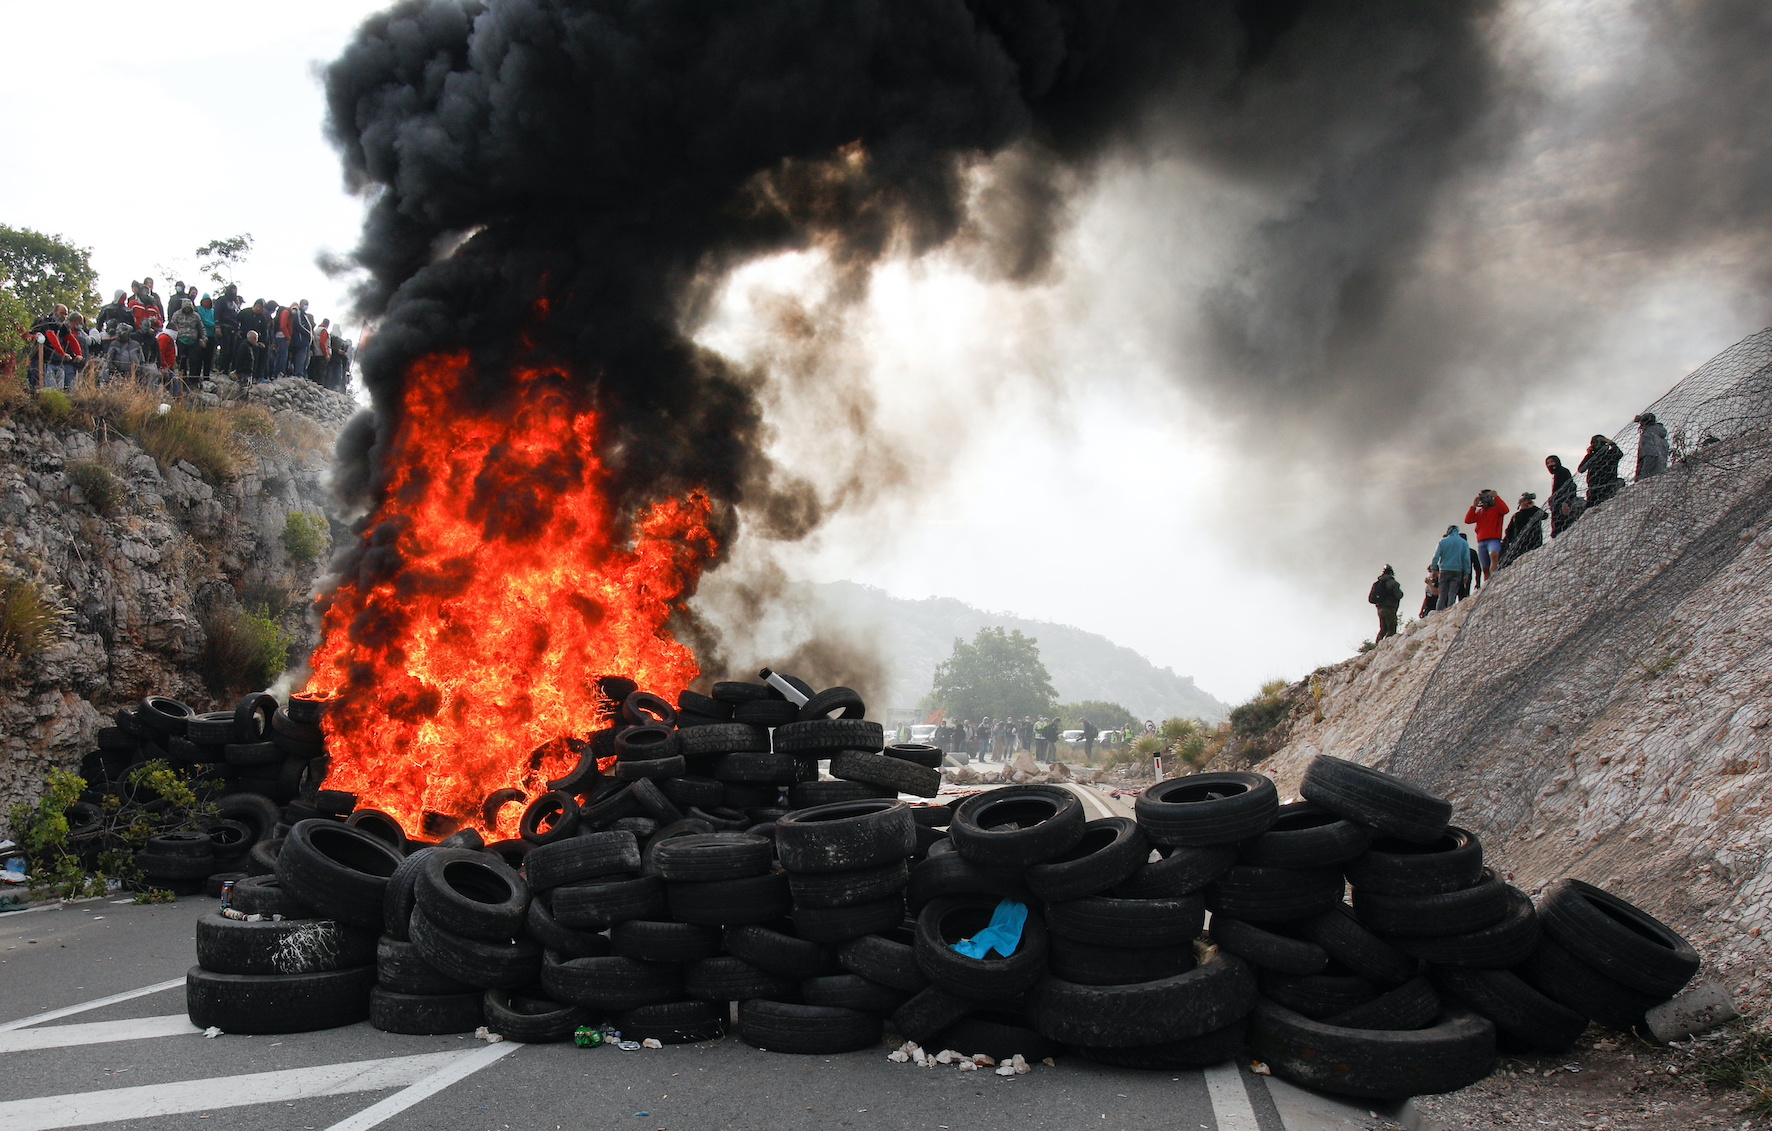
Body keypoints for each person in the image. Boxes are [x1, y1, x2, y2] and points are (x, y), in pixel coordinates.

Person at [1463, 489, 1510, 585]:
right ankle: (1487, 585)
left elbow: (1505, 510)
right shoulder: (1480, 511)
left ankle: (1494, 577)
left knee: (1494, 555)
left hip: (1494, 539)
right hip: (1481, 541)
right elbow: (1468, 520)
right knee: (1485, 568)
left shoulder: (1497, 509)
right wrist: (1473, 506)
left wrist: (1497, 497)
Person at [1500, 492, 1546, 567]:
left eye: (1528, 500)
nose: (1526, 503)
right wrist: (1507, 542)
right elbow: (1509, 531)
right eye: (1524, 501)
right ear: (1520, 503)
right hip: (1520, 545)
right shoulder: (1516, 516)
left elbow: (1545, 516)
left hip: (1535, 542)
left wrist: (1533, 507)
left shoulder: (1534, 511)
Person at [1578, 434, 1624, 509]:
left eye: (1598, 442)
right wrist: (1588, 455)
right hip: (1594, 489)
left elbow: (1619, 453)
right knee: (1592, 511)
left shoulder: (1610, 453)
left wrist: (1612, 443)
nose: (1596, 445)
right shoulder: (1592, 456)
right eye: (1594, 443)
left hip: (1609, 487)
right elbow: (1581, 469)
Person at [1431, 525, 1470, 612]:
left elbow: (1436, 556)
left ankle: (1438, 613)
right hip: (1457, 571)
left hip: (1444, 570)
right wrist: (1466, 574)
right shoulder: (1464, 543)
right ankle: (1449, 613)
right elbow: (1466, 559)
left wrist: (1434, 569)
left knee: (1442, 594)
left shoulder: (1442, 542)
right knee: (1452, 594)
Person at [1545, 455, 1581, 537]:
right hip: (1559, 502)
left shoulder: (1562, 472)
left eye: (1552, 462)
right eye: (1548, 463)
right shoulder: (1558, 474)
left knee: (1562, 524)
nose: (1550, 465)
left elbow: (1569, 487)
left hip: (1563, 502)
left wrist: (1565, 501)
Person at [1367, 564, 1403, 642]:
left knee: (1383, 629)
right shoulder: (1393, 583)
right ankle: (1389, 646)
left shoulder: (1377, 584)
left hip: (1380, 609)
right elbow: (1398, 595)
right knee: (1391, 629)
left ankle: (1377, 646)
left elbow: (1371, 599)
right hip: (1390, 608)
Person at [169, 298, 204, 376]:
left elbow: (201, 328)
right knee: (182, 360)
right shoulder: (177, 314)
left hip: (193, 340)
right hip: (181, 339)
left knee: (194, 361)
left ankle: (193, 379)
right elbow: (172, 326)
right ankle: (182, 378)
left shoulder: (196, 316)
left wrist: (204, 338)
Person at [1635, 412, 1670, 480]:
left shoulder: (1647, 435)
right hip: (1661, 468)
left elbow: (1650, 454)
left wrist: (1642, 475)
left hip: (1650, 472)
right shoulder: (1660, 434)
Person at [195, 295, 217, 376]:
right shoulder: (199, 309)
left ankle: (206, 375)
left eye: (208, 301)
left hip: (211, 336)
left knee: (209, 358)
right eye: (205, 301)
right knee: (199, 357)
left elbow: (216, 320)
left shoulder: (213, 311)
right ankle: (196, 376)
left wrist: (214, 325)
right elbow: (202, 320)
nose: (206, 303)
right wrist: (213, 325)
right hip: (202, 336)